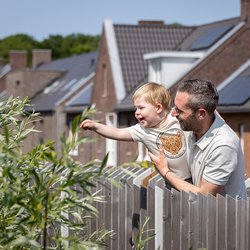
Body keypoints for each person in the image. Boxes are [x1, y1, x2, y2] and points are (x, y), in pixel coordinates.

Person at [149, 79, 247, 199]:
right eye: (175, 107)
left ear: (201, 114)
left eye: (179, 111)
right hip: (199, 214)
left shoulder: (223, 145)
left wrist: (165, 171)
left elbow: (204, 195)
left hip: (223, 216)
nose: (173, 114)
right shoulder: (195, 125)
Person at [80, 82, 191, 181]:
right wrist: (95, 126)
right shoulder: (142, 130)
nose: (136, 112)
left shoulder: (176, 117)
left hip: (195, 174)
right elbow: (117, 133)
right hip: (172, 180)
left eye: (141, 108)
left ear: (158, 108)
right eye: (135, 108)